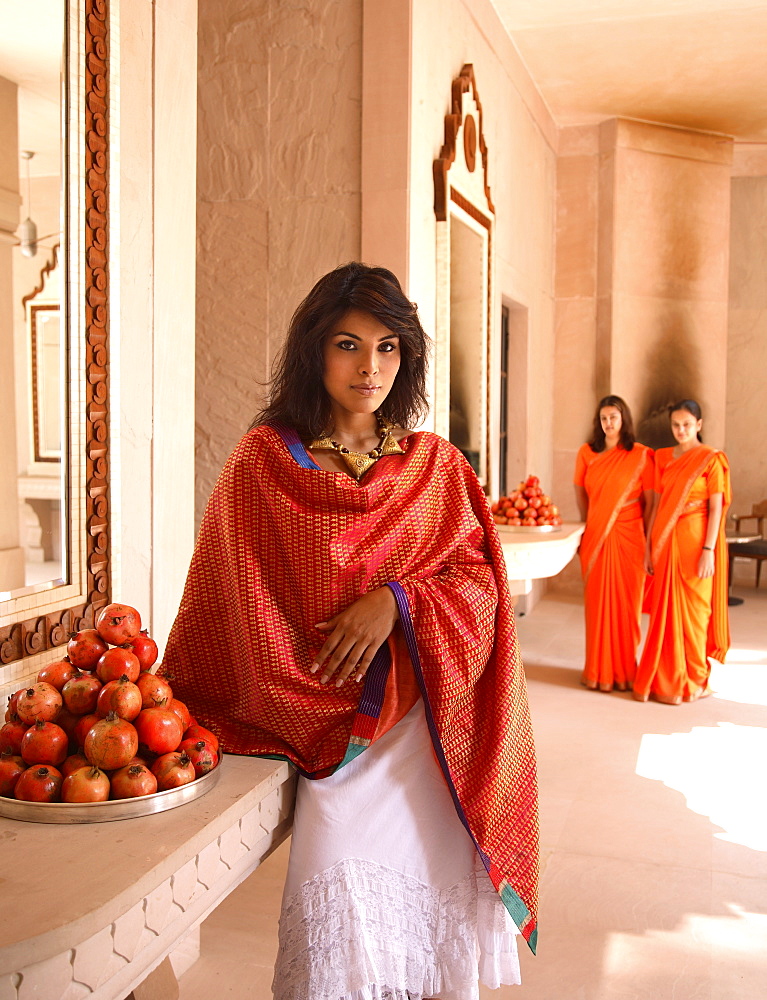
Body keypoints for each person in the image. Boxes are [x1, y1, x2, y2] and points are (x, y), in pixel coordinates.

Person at [161, 262, 539, 1000]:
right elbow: (224, 595)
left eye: (388, 346)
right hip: (328, 732)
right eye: (347, 344)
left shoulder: (434, 468)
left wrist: (397, 602)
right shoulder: (262, 462)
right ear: (313, 350)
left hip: (423, 723)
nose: (370, 368)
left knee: (427, 932)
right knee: (335, 920)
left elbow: (478, 590)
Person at [633, 399, 731, 704]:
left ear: (699, 425)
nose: (681, 430)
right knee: (665, 612)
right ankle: (665, 681)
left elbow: (716, 508)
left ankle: (694, 678)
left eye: (687, 424)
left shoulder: (712, 459)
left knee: (697, 613)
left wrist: (708, 550)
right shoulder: (661, 457)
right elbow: (657, 506)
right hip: (665, 540)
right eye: (676, 424)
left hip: (696, 542)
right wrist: (650, 546)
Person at [573, 395, 655, 692]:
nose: (609, 423)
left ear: (624, 420)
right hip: (597, 535)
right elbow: (580, 492)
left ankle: (624, 673)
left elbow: (650, 504)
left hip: (631, 536)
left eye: (614, 417)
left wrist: (647, 542)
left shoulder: (641, 454)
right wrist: (589, 523)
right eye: (604, 418)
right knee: (597, 609)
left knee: (628, 608)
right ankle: (597, 672)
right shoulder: (587, 453)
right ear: (599, 421)